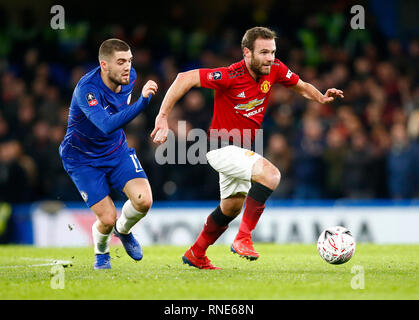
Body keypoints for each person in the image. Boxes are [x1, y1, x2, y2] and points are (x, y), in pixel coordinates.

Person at [151, 27, 343, 269]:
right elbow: (184, 78)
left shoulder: (275, 70)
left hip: (241, 150)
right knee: (271, 174)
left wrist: (321, 97)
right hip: (220, 146)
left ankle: (196, 253)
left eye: (272, 52)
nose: (270, 58)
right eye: (263, 52)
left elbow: (300, 85)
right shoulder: (230, 75)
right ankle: (243, 238)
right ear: (247, 52)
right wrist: (162, 116)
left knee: (231, 207)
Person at [59, 39, 158, 269]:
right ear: (104, 65)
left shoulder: (130, 77)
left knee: (145, 201)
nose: (127, 67)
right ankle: (101, 253)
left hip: (115, 150)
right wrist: (143, 102)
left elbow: (118, 114)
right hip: (82, 158)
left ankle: (123, 230)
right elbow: (105, 124)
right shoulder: (87, 89)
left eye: (130, 61)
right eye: (121, 62)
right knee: (107, 218)